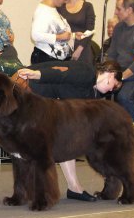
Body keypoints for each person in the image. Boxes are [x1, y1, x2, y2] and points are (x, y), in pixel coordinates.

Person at [16, 60, 123, 202]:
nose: (111, 90)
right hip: (28, 90)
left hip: (39, 100)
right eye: (114, 85)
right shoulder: (87, 73)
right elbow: (60, 74)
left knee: (65, 141)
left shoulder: (91, 92)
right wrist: (36, 74)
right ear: (111, 75)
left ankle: (73, 188)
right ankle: (28, 189)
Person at [30, 0, 82, 64]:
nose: (66, 1)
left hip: (54, 59)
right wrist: (60, 37)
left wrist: (73, 35)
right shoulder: (43, 11)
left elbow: (55, 31)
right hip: (46, 59)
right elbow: (35, 35)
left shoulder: (52, 9)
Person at [58, 0, 96, 64]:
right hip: (65, 48)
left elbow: (90, 30)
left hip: (82, 49)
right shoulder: (61, 6)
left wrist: (79, 49)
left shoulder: (87, 6)